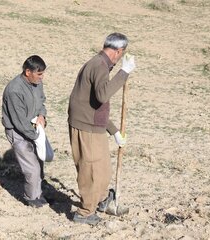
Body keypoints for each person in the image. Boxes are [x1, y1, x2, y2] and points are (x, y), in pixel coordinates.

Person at [68, 32, 136, 225]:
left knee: (103, 169)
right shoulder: (99, 66)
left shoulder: (100, 64)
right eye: (122, 55)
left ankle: (103, 201)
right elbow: (102, 96)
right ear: (118, 51)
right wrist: (123, 73)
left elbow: (94, 105)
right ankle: (84, 212)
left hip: (94, 125)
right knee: (90, 171)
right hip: (86, 127)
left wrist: (113, 130)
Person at [2, 55, 52, 208]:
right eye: (39, 74)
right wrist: (36, 137)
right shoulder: (14, 90)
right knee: (32, 167)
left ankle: (38, 193)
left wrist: (42, 115)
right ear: (27, 72)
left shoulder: (37, 83)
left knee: (39, 162)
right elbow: (19, 121)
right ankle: (31, 198)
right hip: (18, 132)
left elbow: (41, 101)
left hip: (34, 128)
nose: (41, 77)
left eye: (42, 73)